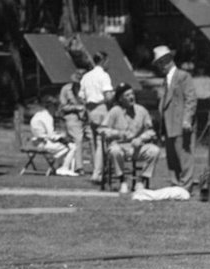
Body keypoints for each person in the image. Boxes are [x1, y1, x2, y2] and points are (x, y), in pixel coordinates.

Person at [153, 45, 198, 193]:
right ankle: (175, 184)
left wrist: (187, 120)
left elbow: (191, 99)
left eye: (160, 63)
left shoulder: (183, 76)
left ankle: (185, 186)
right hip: (168, 124)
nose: (159, 66)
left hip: (180, 124)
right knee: (171, 158)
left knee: (184, 156)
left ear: (167, 60)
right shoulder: (165, 80)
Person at [101, 83, 160, 194]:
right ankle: (122, 181)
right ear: (121, 98)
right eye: (127, 95)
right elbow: (103, 130)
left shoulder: (141, 111)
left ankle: (141, 181)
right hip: (120, 146)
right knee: (114, 151)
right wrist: (119, 134)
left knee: (154, 150)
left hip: (137, 147)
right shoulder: (115, 111)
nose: (131, 97)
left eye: (132, 94)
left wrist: (141, 138)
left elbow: (151, 131)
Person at [80, 52, 114, 184]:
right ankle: (98, 173)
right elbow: (108, 96)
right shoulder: (104, 76)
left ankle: (96, 168)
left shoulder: (86, 76)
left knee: (93, 142)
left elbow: (81, 95)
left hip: (89, 109)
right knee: (101, 141)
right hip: (101, 108)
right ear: (104, 61)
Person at [28, 94, 77, 174]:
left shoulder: (39, 114)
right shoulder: (47, 117)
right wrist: (62, 138)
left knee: (66, 145)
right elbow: (51, 136)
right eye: (55, 107)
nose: (56, 109)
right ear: (51, 107)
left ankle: (57, 167)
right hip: (44, 143)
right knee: (72, 146)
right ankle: (64, 168)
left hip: (37, 142)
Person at [58, 71, 88, 174]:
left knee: (95, 139)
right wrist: (76, 107)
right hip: (72, 117)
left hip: (87, 116)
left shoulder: (86, 88)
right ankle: (79, 167)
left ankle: (99, 166)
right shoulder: (66, 89)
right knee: (78, 139)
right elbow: (63, 107)